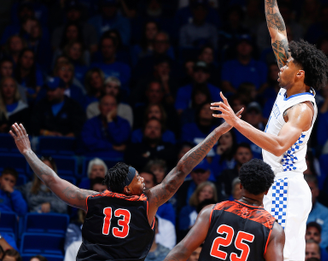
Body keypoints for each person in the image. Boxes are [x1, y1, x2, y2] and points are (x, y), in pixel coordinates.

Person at [211, 0, 328, 261]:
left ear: (300, 73)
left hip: (286, 188)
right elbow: (277, 31)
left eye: (288, 63)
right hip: (275, 183)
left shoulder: (302, 109)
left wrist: (237, 124)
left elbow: (278, 146)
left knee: (284, 256)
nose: (281, 65)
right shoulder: (291, 82)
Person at [9, 110, 241, 261]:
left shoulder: (92, 199)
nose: (143, 179)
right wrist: (217, 132)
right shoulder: (147, 202)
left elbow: (51, 179)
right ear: (128, 189)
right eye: (137, 177)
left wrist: (27, 151)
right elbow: (181, 169)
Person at [162, 159, 285, 261]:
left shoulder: (211, 211)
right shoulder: (273, 229)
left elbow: (182, 250)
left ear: (240, 185)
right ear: (267, 190)